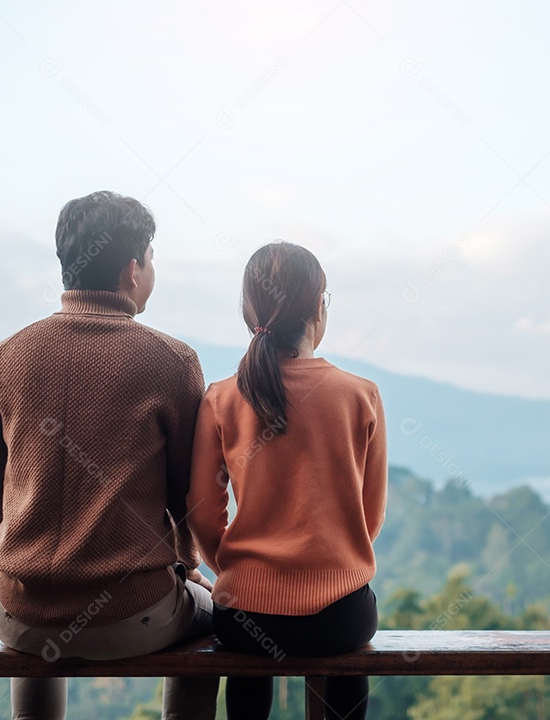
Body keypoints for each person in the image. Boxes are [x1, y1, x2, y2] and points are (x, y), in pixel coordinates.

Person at [0, 191, 218, 720]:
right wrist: (187, 566)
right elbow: (189, 497)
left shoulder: (5, 357)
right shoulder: (172, 362)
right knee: (217, 618)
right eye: (151, 258)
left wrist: (34, 566)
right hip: (136, 615)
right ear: (133, 269)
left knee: (34, 636)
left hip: (19, 613)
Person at [187, 241, 388, 720]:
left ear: (246, 311)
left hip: (244, 616)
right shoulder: (360, 396)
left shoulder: (221, 398)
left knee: (247, 671)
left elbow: (202, 512)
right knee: (345, 652)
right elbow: (370, 516)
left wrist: (240, 572)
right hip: (339, 617)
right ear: (319, 308)